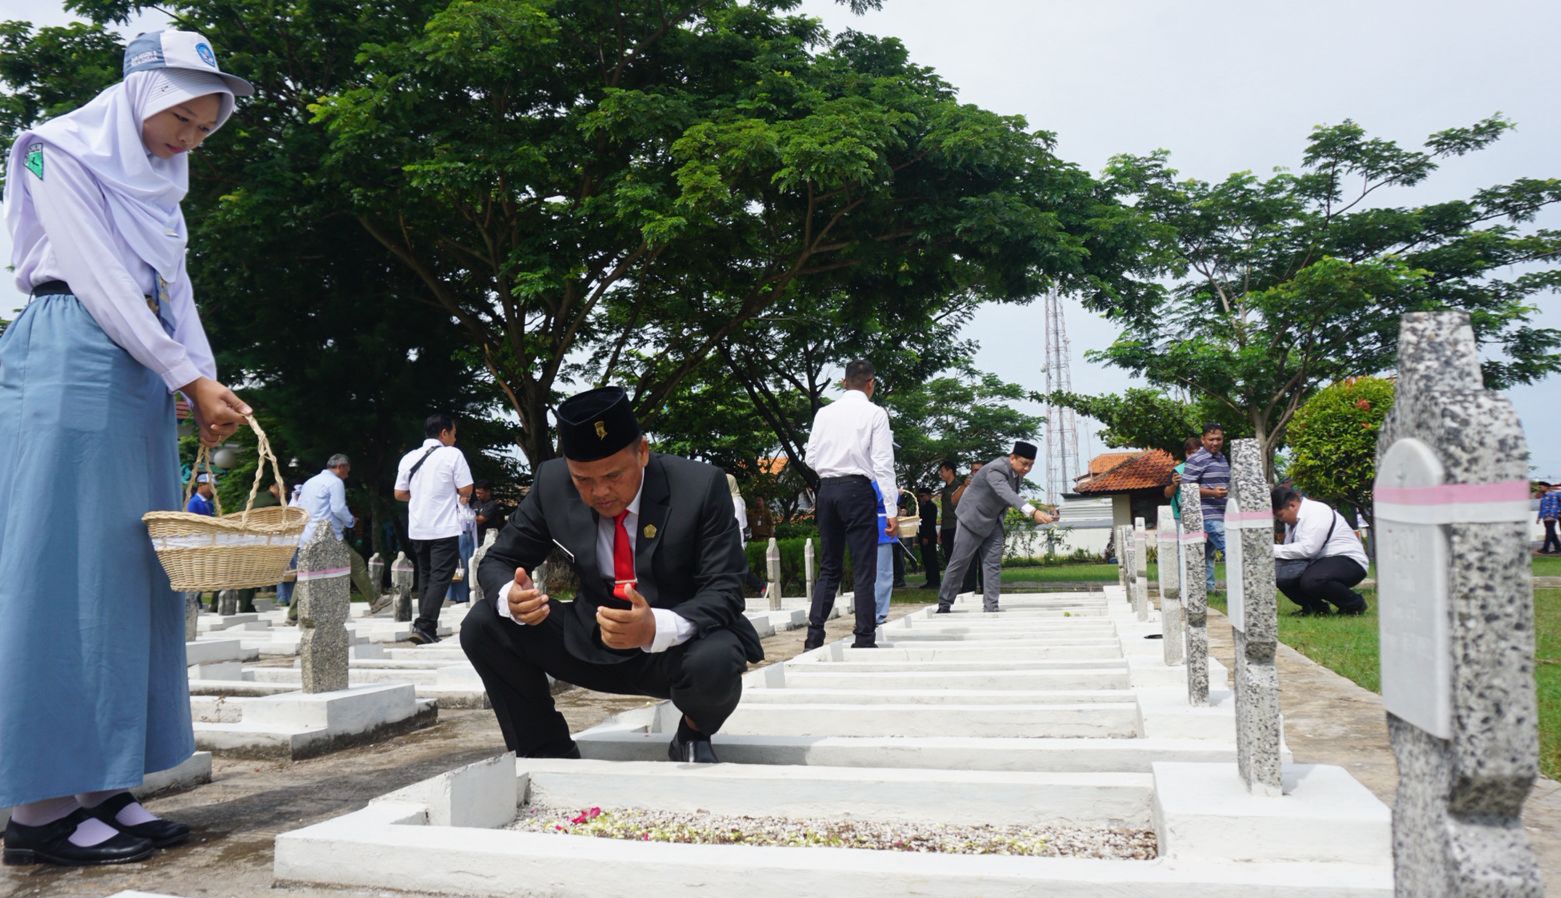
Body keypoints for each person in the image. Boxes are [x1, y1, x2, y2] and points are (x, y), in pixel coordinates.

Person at [0, 29, 253, 866]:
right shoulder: (57, 152)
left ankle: (104, 786)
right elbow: (97, 277)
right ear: (143, 94)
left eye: (203, 131)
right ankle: (36, 809)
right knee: (59, 571)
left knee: (127, 572)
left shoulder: (159, 190)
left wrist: (204, 382)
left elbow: (171, 291)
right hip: (73, 351)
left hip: (139, 368)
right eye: (181, 119)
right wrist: (185, 375)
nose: (188, 140)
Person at [460, 387, 763, 763]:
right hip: (589, 637)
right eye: (583, 480)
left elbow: (726, 591)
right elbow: (497, 560)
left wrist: (654, 627)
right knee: (484, 623)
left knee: (717, 659)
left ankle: (692, 734)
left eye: (613, 475)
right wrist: (510, 595)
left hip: (673, 645)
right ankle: (544, 748)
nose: (600, 491)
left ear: (643, 452)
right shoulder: (551, 484)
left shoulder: (700, 487)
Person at [802, 359, 897, 650]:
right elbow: (883, 464)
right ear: (871, 383)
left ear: (844, 383)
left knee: (829, 566)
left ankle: (814, 635)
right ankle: (864, 636)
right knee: (863, 567)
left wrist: (831, 472)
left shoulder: (824, 413)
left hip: (827, 491)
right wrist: (891, 510)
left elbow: (810, 458)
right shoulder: (875, 413)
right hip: (857, 490)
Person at [936, 442, 1056, 614]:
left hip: (993, 521)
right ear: (1012, 457)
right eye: (1024, 463)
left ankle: (991, 607)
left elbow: (1009, 498)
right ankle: (944, 604)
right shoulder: (996, 469)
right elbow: (1005, 493)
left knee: (992, 564)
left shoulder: (1017, 473)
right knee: (960, 562)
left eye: (1031, 465)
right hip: (972, 518)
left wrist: (1040, 514)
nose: (1027, 468)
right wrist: (1033, 511)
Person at [394, 414, 474, 644]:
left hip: (418, 527)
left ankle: (424, 624)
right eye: (454, 434)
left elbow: (399, 493)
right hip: (443, 527)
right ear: (444, 433)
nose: (455, 439)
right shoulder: (452, 454)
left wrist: (421, 496)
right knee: (441, 576)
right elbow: (466, 488)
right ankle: (425, 626)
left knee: (427, 575)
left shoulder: (410, 457)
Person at [1270, 486, 1369, 615]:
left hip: (1349, 561)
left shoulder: (1316, 511)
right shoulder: (1293, 522)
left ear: (1292, 505)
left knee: (1313, 580)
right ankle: (1316, 608)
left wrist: (1271, 549)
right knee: (1280, 573)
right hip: (1320, 563)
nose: (1280, 520)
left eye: (1280, 515)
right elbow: (1291, 552)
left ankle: (1355, 605)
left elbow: (1308, 549)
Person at [1181, 424, 1230, 592]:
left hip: (1223, 513)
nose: (1215, 443)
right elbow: (1186, 487)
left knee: (1205, 556)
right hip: (1207, 515)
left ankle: (1205, 590)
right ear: (1203, 440)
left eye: (1219, 439)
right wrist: (1212, 493)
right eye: (1211, 439)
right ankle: (1243, 589)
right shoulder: (1196, 459)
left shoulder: (1222, 458)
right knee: (1232, 549)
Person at [937, 460, 970, 590]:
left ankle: (965, 587)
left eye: (942, 471)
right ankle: (953, 587)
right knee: (949, 558)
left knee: (960, 558)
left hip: (957, 526)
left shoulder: (960, 486)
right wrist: (940, 532)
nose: (941, 474)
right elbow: (945, 511)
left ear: (950, 470)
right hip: (946, 528)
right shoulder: (945, 489)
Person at [871, 482, 897, 626]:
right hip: (881, 529)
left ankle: (870, 613)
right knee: (883, 574)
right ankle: (877, 614)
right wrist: (895, 494)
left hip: (864, 531)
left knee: (871, 575)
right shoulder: (877, 478)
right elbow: (884, 498)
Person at [1164, 436, 1205, 522]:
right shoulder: (1178, 470)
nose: (1191, 456)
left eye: (1194, 453)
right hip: (1179, 516)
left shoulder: (1207, 468)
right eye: (1189, 453)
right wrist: (1174, 485)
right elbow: (1167, 494)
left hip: (1204, 513)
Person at [917, 486, 941, 589]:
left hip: (929, 536)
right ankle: (930, 580)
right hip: (923, 535)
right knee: (926, 559)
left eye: (923, 496)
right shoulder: (922, 506)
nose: (921, 498)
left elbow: (930, 523)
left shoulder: (931, 506)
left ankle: (934, 581)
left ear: (928, 496)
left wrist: (926, 536)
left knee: (931, 558)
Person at [472, 480, 507, 545]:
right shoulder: (475, 504)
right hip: (476, 538)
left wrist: (468, 517)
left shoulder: (492, 505)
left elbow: (480, 520)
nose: (478, 495)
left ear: (488, 492)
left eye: (480, 493)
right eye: (476, 493)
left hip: (489, 540)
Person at [1538, 482, 1560, 555]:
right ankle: (1558, 549)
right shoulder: (1543, 496)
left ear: (1546, 487)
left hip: (1550, 517)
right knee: (1552, 533)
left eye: (1541, 487)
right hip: (1545, 517)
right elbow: (1541, 507)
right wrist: (1539, 517)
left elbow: (1554, 505)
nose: (1540, 488)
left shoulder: (1552, 495)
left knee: (1548, 533)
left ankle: (1545, 549)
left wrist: (1552, 515)